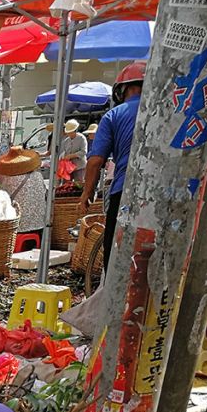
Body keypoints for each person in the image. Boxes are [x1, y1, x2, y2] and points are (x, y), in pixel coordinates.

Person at [79, 61, 145, 277]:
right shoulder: (163, 112)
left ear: (122, 89)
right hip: (161, 194)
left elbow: (96, 161)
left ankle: (112, 301)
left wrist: (87, 193)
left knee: (115, 253)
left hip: (124, 192)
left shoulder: (113, 115)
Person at [0, 146, 46, 237]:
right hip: (40, 225)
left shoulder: (8, 180)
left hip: (18, 227)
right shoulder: (39, 176)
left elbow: (1, 197)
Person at [58, 119, 87, 184]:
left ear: (75, 130)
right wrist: (63, 157)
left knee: (79, 184)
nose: (69, 134)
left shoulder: (81, 138)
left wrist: (72, 155)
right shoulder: (66, 141)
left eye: (71, 132)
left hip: (79, 166)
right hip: (68, 167)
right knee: (66, 184)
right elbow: (64, 151)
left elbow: (84, 152)